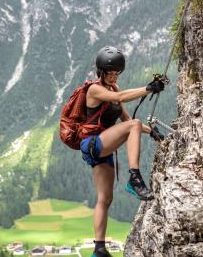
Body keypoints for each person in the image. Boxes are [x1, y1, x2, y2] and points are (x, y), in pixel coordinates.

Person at [81, 46, 164, 257]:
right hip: (94, 143)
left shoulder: (114, 88)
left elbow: (127, 122)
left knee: (104, 199)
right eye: (110, 72)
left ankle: (99, 249)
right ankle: (134, 179)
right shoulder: (94, 89)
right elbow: (125, 98)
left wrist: (152, 132)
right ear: (101, 71)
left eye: (117, 72)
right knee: (135, 124)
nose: (113, 76)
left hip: (104, 146)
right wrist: (148, 89)